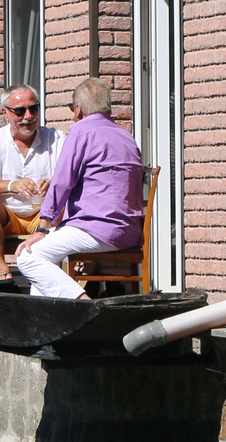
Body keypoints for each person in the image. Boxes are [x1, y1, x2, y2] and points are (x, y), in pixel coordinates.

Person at [14, 78, 145, 300]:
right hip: (130, 231)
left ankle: (84, 306)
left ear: (79, 109)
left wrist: (42, 227)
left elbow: (62, 182)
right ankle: (44, 316)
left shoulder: (81, 131)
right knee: (45, 257)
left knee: (29, 256)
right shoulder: (126, 136)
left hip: (97, 229)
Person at [0, 84, 63, 285]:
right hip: (8, 216)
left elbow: (72, 175)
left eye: (34, 109)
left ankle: (59, 275)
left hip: (45, 215)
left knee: (65, 197)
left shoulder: (56, 138)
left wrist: (55, 183)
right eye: (20, 111)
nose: (28, 116)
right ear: (5, 113)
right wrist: (12, 185)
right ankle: (1, 266)